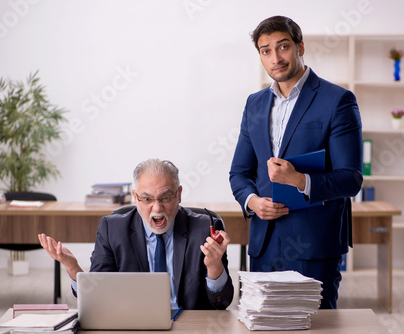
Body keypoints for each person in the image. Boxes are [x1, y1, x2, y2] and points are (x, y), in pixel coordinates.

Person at [229, 16, 363, 309]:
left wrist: (300, 180)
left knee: (314, 325)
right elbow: (239, 172)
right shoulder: (254, 103)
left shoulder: (337, 100)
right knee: (263, 323)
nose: (275, 58)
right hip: (263, 244)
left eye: (283, 47)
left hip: (313, 244)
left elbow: (351, 179)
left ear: (300, 46)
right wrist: (252, 202)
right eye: (265, 50)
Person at [39, 158, 234, 310]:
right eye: (147, 199)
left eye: (166, 197)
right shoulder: (112, 229)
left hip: (188, 326)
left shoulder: (205, 229)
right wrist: (74, 269)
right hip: (132, 323)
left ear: (179, 194)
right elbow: (98, 298)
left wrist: (214, 266)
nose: (157, 208)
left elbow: (221, 303)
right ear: (135, 197)